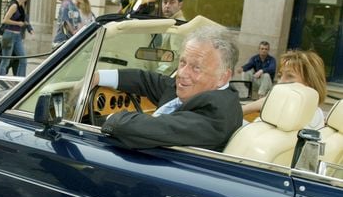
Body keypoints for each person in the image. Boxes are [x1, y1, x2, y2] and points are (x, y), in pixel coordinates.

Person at [90, 25, 243, 151]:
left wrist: (107, 119)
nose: (182, 74)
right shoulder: (197, 90)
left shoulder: (216, 115)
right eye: (183, 63)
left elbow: (134, 128)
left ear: (223, 77)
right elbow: (148, 80)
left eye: (196, 68)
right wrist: (98, 76)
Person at [242, 49, 327, 129]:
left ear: (310, 82)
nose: (280, 83)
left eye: (290, 76)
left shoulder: (281, 116)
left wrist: (251, 106)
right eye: (279, 76)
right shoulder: (317, 114)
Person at [0, 0, 32, 76]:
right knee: (6, 61)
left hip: (17, 36)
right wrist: (18, 23)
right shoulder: (14, 5)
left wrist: (29, 28)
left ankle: (20, 81)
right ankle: (1, 80)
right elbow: (5, 20)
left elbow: (24, 19)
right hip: (9, 35)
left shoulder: (22, 5)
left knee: (23, 59)